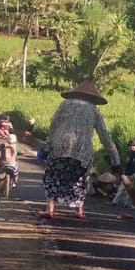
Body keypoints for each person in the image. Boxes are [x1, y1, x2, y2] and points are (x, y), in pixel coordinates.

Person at [43, 80, 121, 220]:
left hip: (59, 148)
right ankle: (79, 210)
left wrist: (47, 146)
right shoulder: (93, 110)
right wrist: (116, 160)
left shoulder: (64, 105)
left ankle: (50, 209)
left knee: (53, 176)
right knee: (80, 180)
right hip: (82, 152)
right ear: (92, 98)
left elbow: (53, 126)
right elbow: (104, 135)